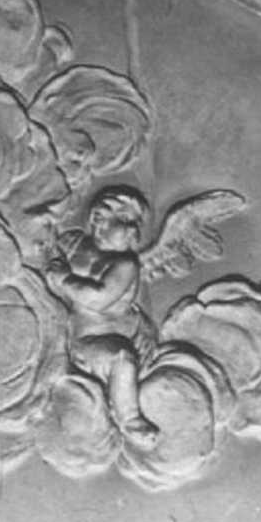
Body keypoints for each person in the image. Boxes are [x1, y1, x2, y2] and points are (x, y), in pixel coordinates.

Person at [45, 185, 159, 447]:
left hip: (112, 347)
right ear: (98, 219)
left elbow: (98, 299)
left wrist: (64, 279)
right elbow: (50, 265)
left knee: (122, 358)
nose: (134, 231)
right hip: (81, 344)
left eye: (136, 224)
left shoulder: (125, 264)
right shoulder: (76, 246)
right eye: (126, 221)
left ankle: (129, 418)